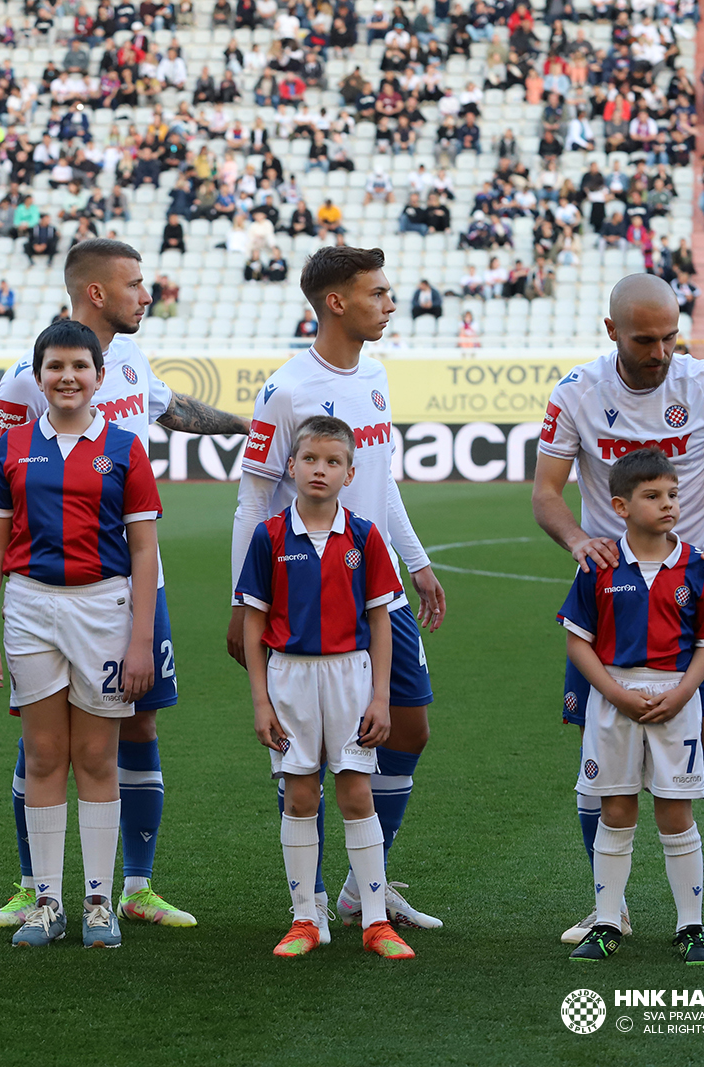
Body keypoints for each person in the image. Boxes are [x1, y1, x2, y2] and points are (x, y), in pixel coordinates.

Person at [533, 272, 704, 952]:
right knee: (601, 755)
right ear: (613, 333)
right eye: (645, 339)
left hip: (691, 591)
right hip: (612, 596)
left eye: (669, 337)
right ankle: (612, 908)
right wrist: (577, 539)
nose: (659, 351)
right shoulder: (575, 393)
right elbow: (545, 491)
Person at [0, 238, 249, 930]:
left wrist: (245, 426)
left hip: (132, 579)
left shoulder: (129, 359)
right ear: (96, 292)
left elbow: (173, 411)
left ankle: (135, 886)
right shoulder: (24, 379)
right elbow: (10, 488)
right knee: (42, 735)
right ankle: (31, 884)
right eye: (135, 284)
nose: (146, 294)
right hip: (49, 585)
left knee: (140, 718)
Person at [230, 246, 447, 932]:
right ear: (335, 303)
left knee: (407, 725)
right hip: (305, 589)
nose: (389, 302)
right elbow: (252, 497)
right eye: (378, 293)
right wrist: (244, 605)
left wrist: (416, 560)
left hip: (376, 586)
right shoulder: (288, 389)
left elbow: (381, 485)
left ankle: (362, 884)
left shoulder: (377, 376)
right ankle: (311, 900)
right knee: (305, 753)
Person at [0, 320, 162, 949]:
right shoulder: (14, 445)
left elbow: (143, 551)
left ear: (99, 377)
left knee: (98, 758)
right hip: (29, 607)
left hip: (104, 609)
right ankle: (46, 903)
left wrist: (140, 639)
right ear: (39, 376)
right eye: (54, 367)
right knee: (46, 756)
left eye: (80, 366)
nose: (67, 377)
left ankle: (99, 903)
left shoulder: (127, 450)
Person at [236, 415, 416, 962]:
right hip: (289, 676)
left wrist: (381, 696)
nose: (320, 469)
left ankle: (376, 921)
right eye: (310, 459)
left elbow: (381, 620)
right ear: (290, 466)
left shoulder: (364, 535)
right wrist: (261, 699)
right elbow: (252, 622)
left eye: (333, 462)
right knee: (299, 794)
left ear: (350, 472)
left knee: (355, 793)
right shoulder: (270, 537)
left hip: (350, 675)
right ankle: (304, 919)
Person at [557, 448, 704, 966]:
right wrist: (614, 693)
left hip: (678, 699)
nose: (667, 504)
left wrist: (681, 693)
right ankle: (607, 922)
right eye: (652, 496)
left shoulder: (698, 565)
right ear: (621, 506)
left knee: (676, 811)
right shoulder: (600, 566)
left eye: (673, 494)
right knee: (616, 808)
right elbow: (577, 640)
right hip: (615, 699)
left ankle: (691, 928)